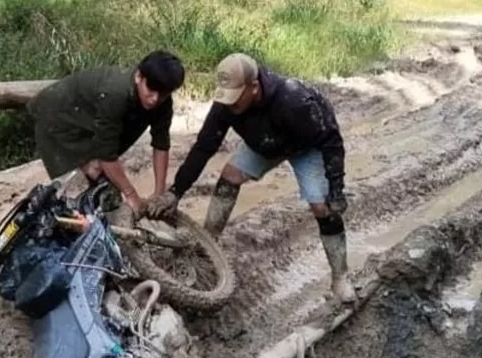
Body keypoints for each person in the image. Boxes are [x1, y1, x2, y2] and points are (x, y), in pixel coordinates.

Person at [150, 53, 357, 304]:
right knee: (230, 175)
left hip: (305, 146)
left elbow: (331, 141)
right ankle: (209, 244)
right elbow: (204, 147)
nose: (230, 105)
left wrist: (336, 188)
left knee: (322, 207)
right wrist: (176, 191)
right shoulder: (226, 104)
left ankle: (340, 278)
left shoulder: (293, 101)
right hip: (264, 142)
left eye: (236, 99)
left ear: (254, 87)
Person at [26, 51, 185, 220]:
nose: (155, 99)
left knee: (105, 186)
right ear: (139, 77)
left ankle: (89, 210)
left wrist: (159, 193)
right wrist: (131, 195)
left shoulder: (162, 103)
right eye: (151, 91)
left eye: (163, 94)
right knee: (82, 186)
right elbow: (106, 155)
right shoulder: (115, 94)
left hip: (89, 118)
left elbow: (161, 144)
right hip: (58, 117)